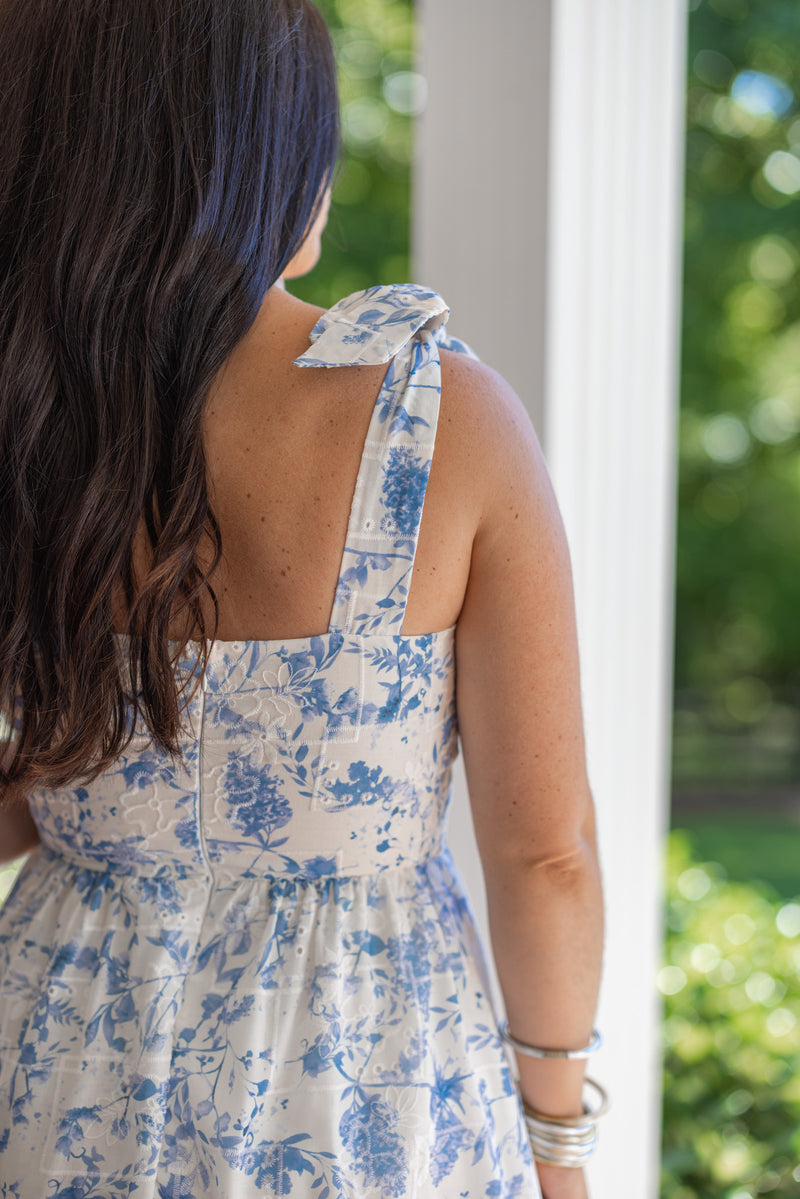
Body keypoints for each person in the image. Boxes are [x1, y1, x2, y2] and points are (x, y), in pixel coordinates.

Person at [0, 1, 605, 1196]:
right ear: (271, 154)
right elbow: (544, 853)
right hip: (359, 1076)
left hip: (57, 1058)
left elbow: (50, 780)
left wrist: (100, 803)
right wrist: (560, 1145)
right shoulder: (437, 416)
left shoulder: (29, 426)